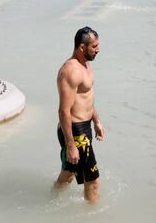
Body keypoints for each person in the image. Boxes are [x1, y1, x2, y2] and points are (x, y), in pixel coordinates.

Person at [55, 27, 105, 203]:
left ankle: (52, 197)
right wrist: (71, 145)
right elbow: (64, 111)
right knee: (93, 182)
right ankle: (93, 217)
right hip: (76, 132)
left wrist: (96, 120)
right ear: (81, 48)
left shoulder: (86, 65)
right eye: (94, 46)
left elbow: (85, 99)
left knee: (69, 174)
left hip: (84, 126)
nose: (98, 49)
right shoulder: (71, 71)